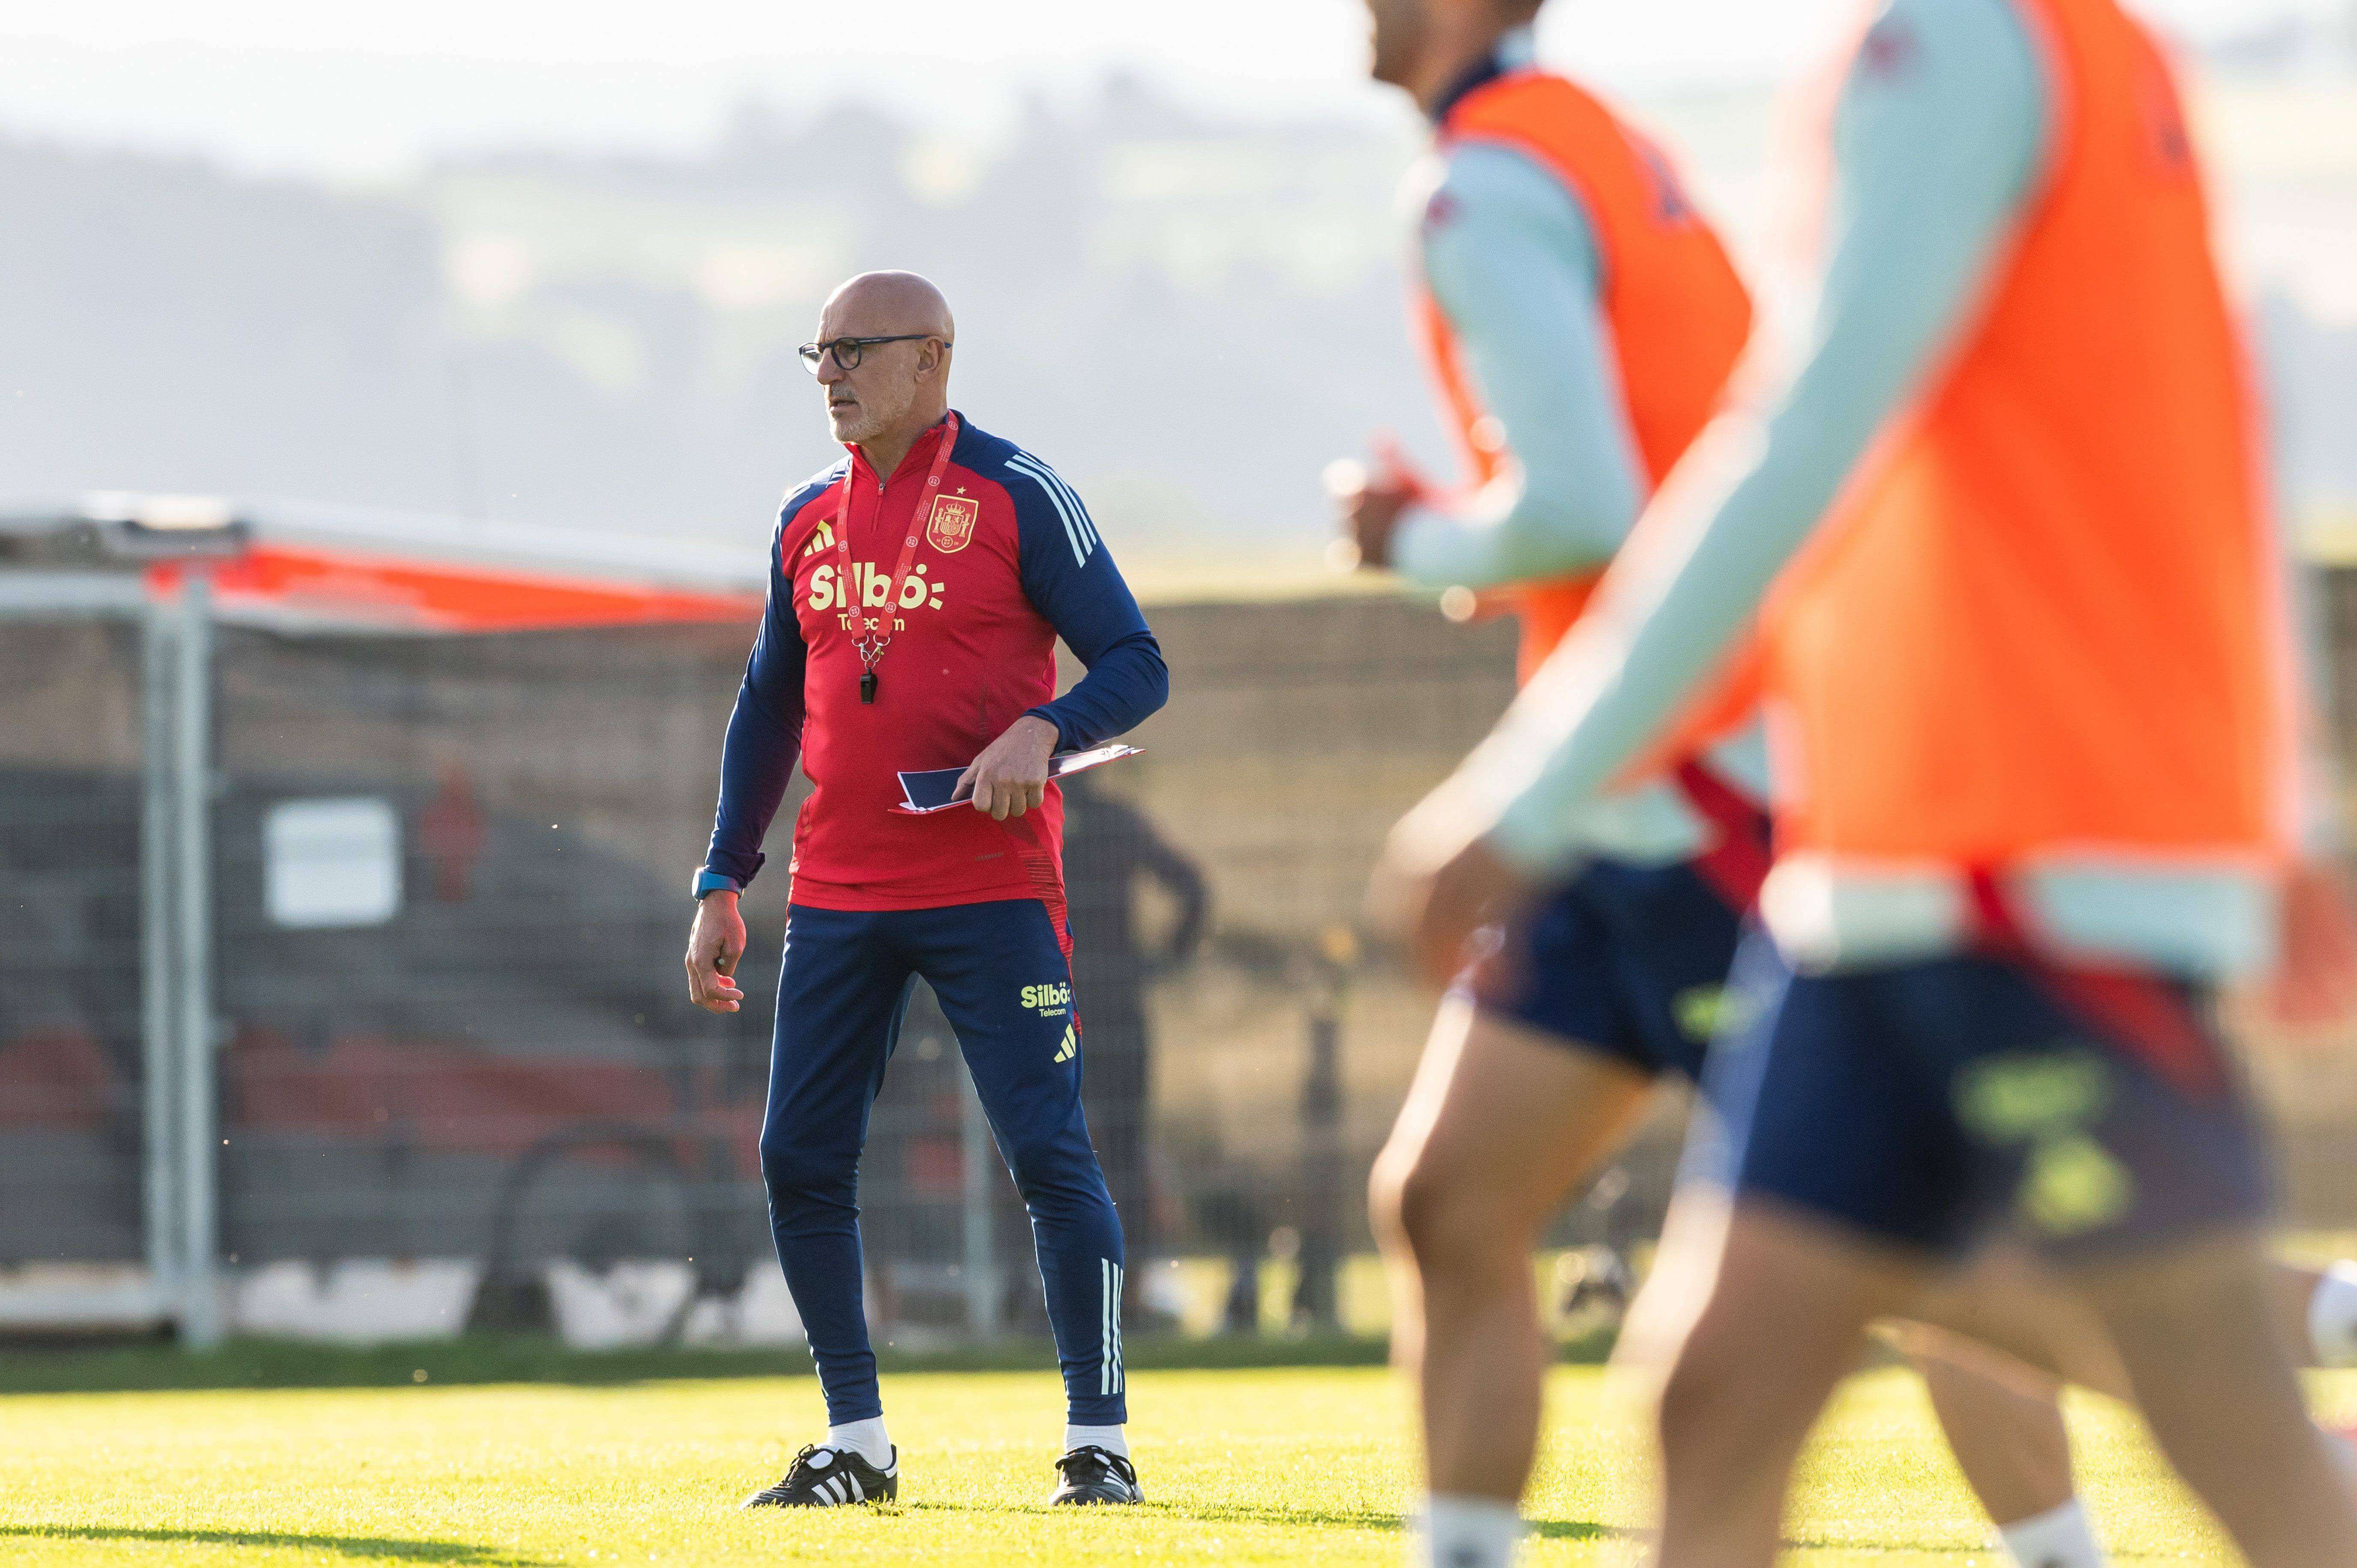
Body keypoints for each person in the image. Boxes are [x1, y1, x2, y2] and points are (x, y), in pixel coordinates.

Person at [1370, 0, 2357, 1560]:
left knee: (2225, 1419)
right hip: (1881, 862)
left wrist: (1530, 796)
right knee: (1716, 1395)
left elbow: (1807, 427)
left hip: (2023, 857)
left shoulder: (1946, 39)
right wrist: (2286, 807)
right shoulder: (2073, 50)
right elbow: (2227, 421)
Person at [686, 270, 1167, 1509]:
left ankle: (1099, 1443)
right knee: (798, 1157)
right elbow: (766, 706)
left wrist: (1044, 729)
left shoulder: (1017, 492)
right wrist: (723, 874)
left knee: (1046, 1153)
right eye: (818, 353)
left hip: (989, 886)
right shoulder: (804, 514)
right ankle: (856, 1442)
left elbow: (1136, 660)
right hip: (838, 894)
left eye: (854, 351)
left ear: (931, 358)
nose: (829, 375)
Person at [1059, 768, 1210, 1298]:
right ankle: (1131, 1282)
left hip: (1054, 1004)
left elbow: (1192, 889)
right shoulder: (1114, 821)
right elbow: (1192, 888)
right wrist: (1162, 962)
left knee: (1059, 1145)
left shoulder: (1037, 822)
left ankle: (1074, 1281)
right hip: (1114, 1003)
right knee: (1123, 1148)